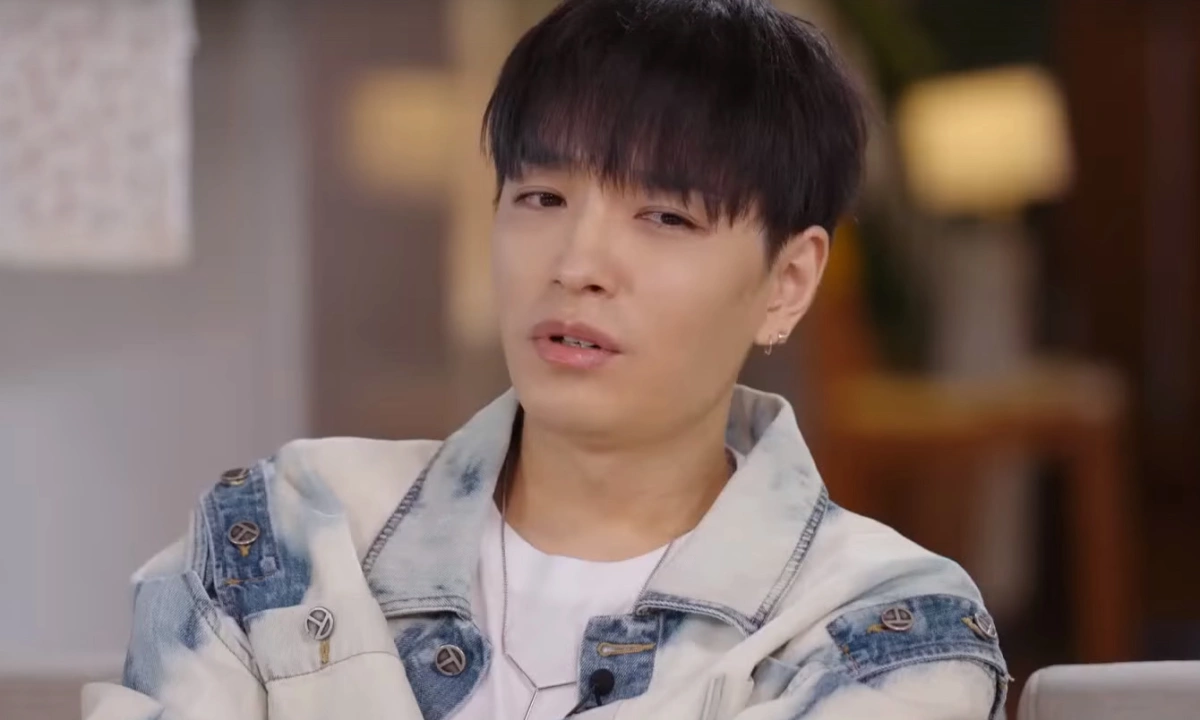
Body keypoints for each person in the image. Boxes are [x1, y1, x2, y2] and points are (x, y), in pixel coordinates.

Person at [84, 1, 1008, 718]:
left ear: (787, 281)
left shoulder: (883, 629)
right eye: (540, 198)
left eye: (664, 216)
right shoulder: (278, 541)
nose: (576, 265)